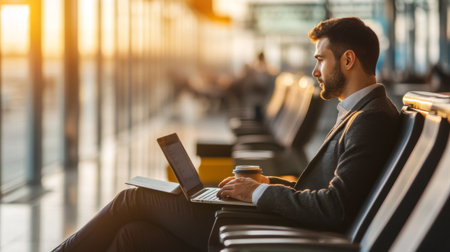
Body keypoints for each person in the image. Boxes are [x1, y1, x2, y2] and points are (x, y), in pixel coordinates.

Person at [53, 17, 400, 252]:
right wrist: (268, 184)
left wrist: (259, 193)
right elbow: (327, 192)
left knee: (134, 200)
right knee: (133, 235)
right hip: (275, 221)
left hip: (278, 233)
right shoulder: (364, 112)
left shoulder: (370, 120)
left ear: (349, 60)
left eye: (320, 59)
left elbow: (334, 207)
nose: (314, 70)